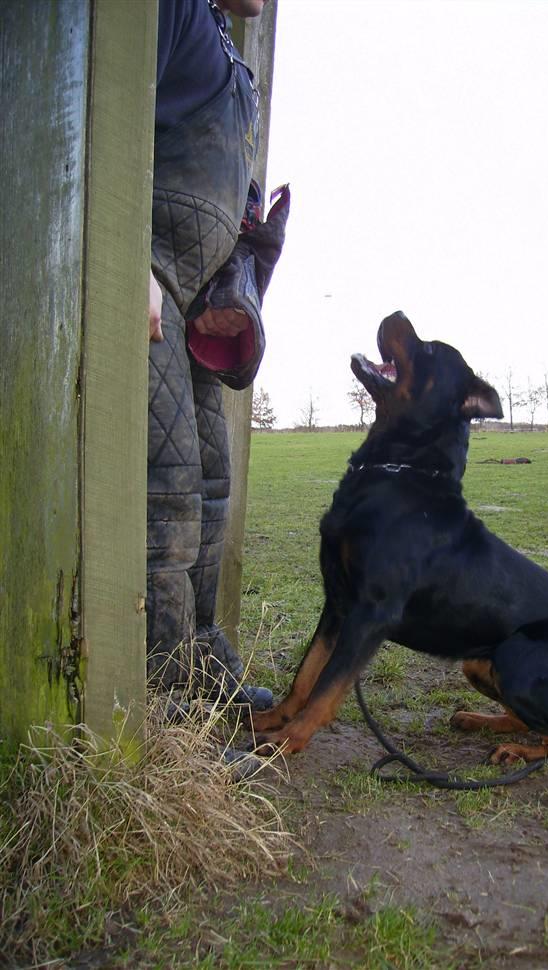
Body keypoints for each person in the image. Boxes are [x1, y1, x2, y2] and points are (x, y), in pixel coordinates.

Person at [147, 0, 286, 711]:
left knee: (210, 485)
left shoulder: (237, 62)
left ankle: (202, 665)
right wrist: (127, 261)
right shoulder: (165, 12)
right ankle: (164, 709)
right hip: (150, 285)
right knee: (166, 490)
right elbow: (110, 129)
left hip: (198, 301)